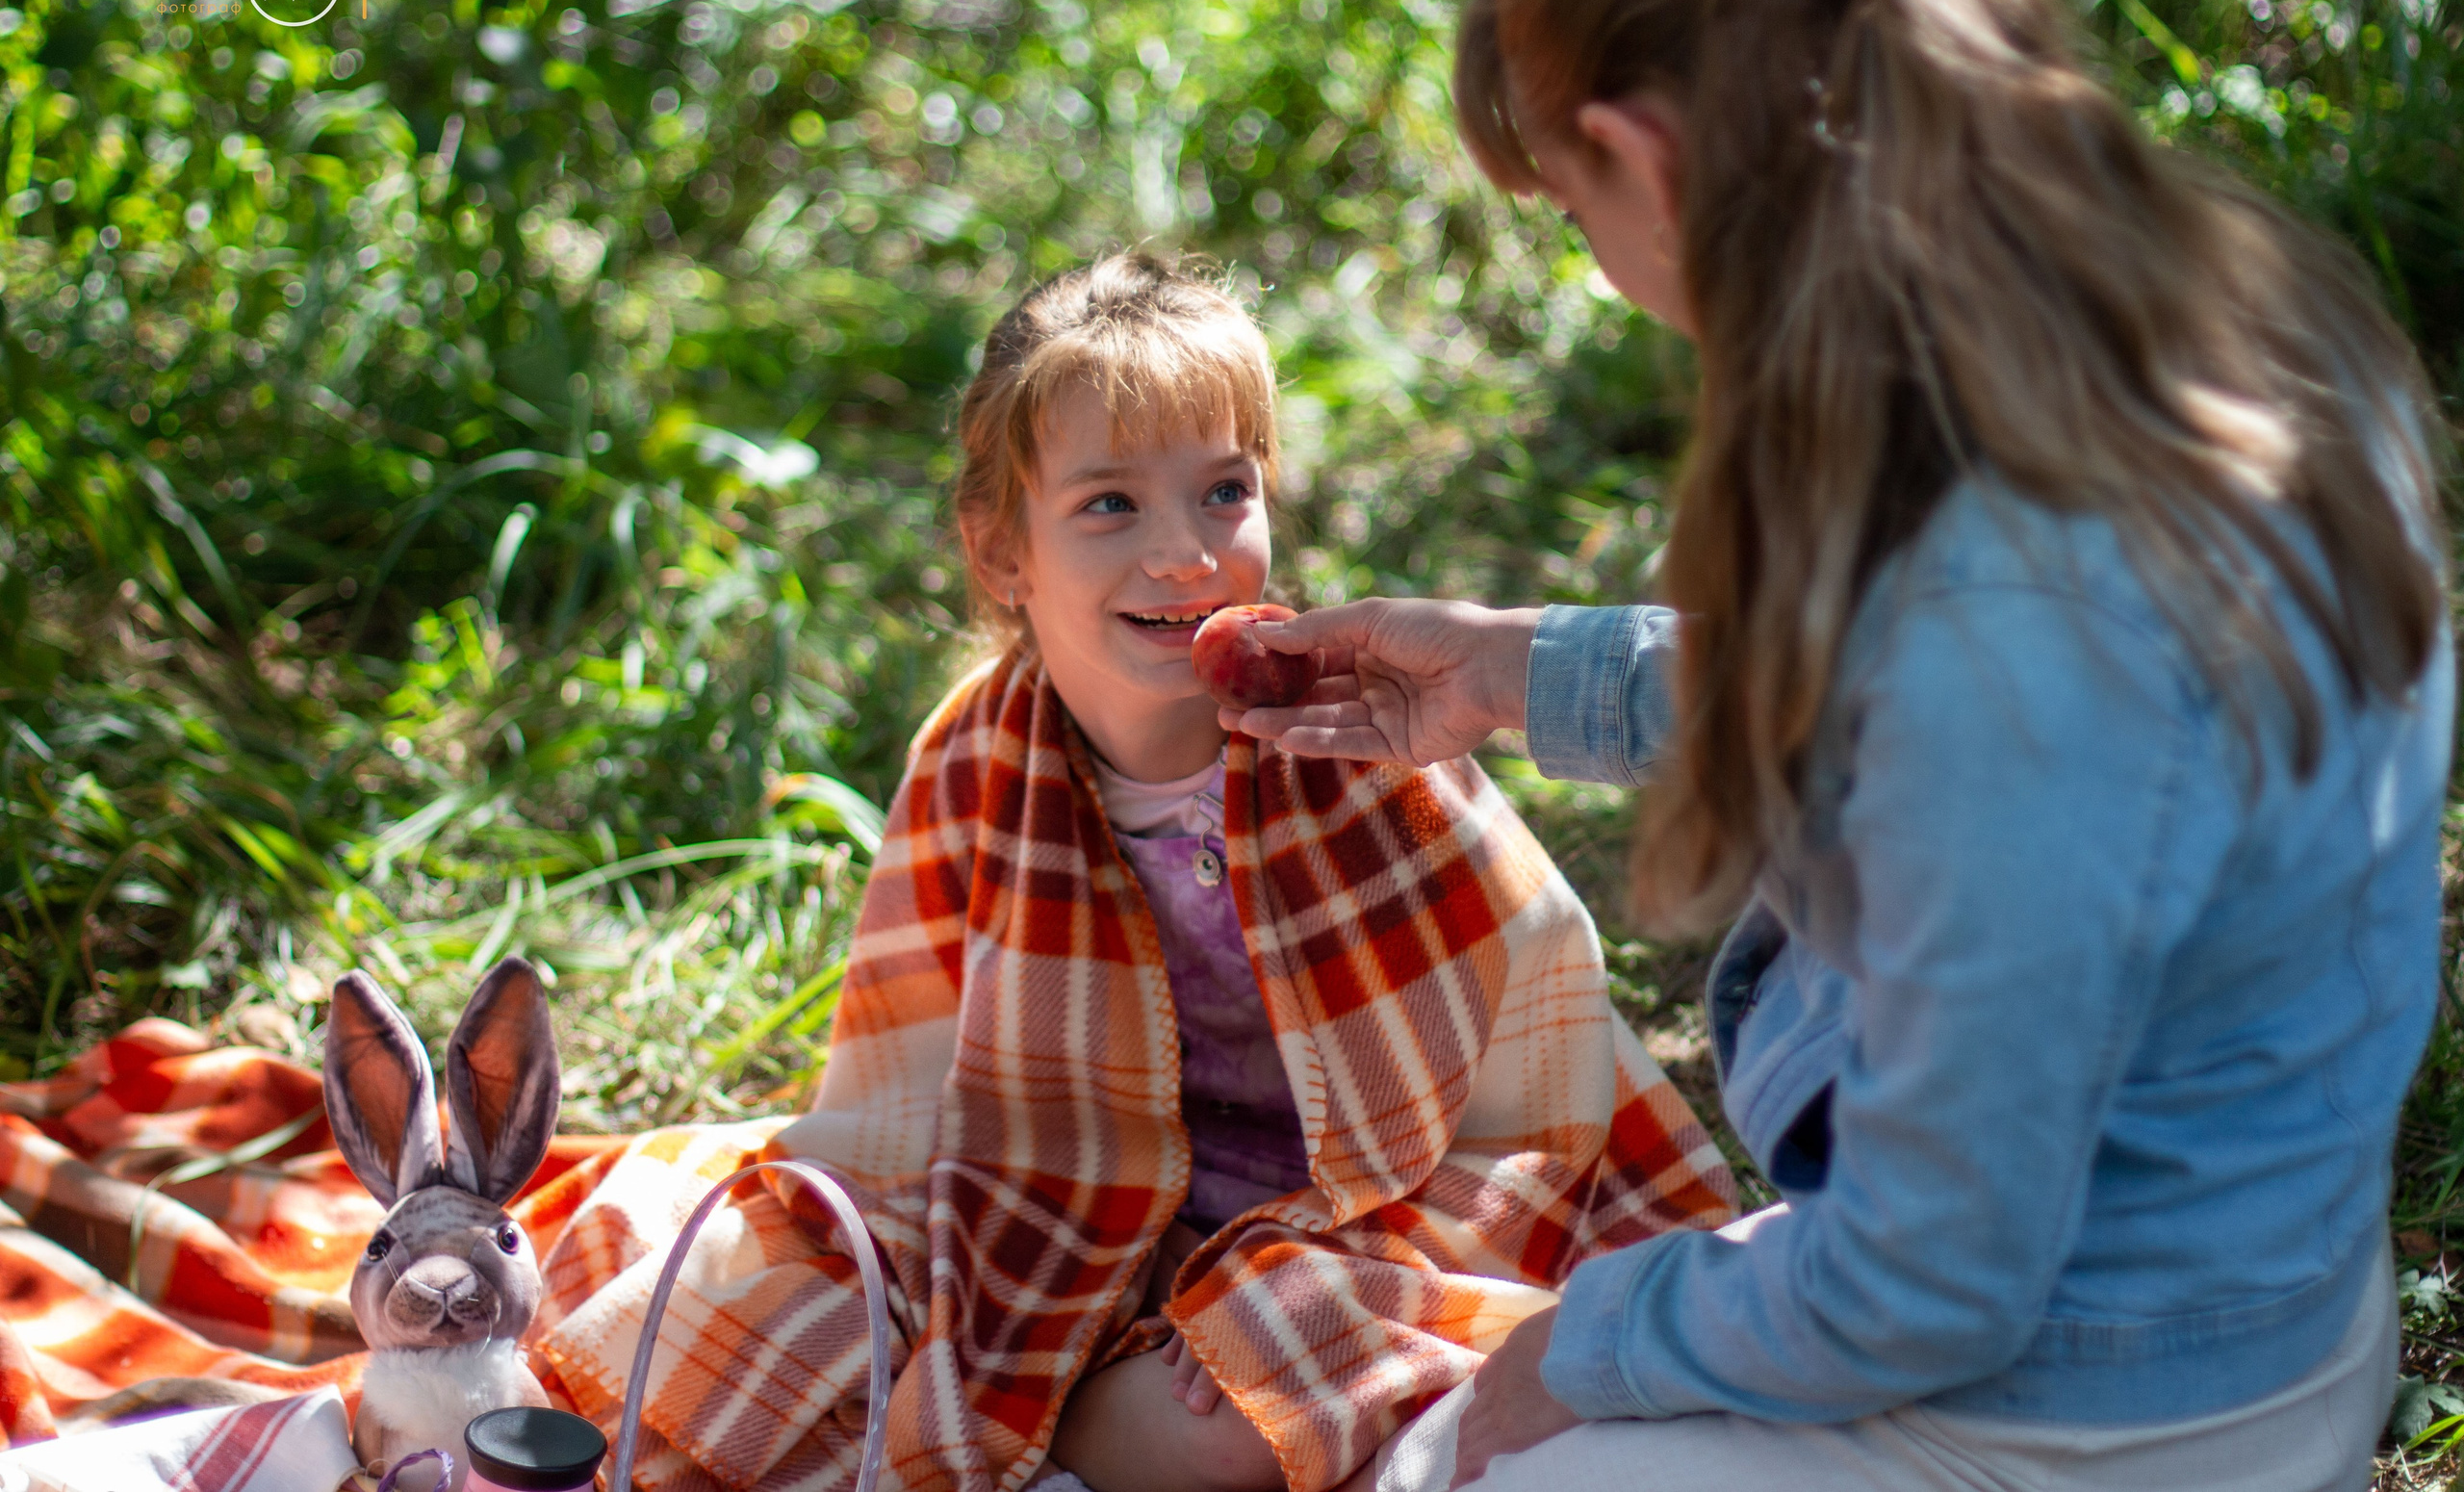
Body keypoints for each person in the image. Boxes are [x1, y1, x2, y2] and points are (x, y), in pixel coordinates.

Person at [1219, 0, 2453, 1489]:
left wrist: (1578, 1340)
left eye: (1574, 211)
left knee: (1453, 1465)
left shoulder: (2001, 624)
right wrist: (1513, 671)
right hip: (2272, 1289)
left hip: (2111, 1413)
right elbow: (1954, 728)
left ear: (1637, 158)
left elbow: (1930, 1275)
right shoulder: (2216, 327)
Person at [519, 253, 1737, 1492]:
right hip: (1067, 1208)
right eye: (1110, 505)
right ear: (1001, 552)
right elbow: (902, 1096)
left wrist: (1281, 1280)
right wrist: (922, 1265)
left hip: (1349, 1224)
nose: (1185, 556)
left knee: (1226, 1415)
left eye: (1223, 492)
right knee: (732, 1313)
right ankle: (1045, 1409)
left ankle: (1065, 1432)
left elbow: (1522, 1096)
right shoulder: (979, 758)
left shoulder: (1350, 740)